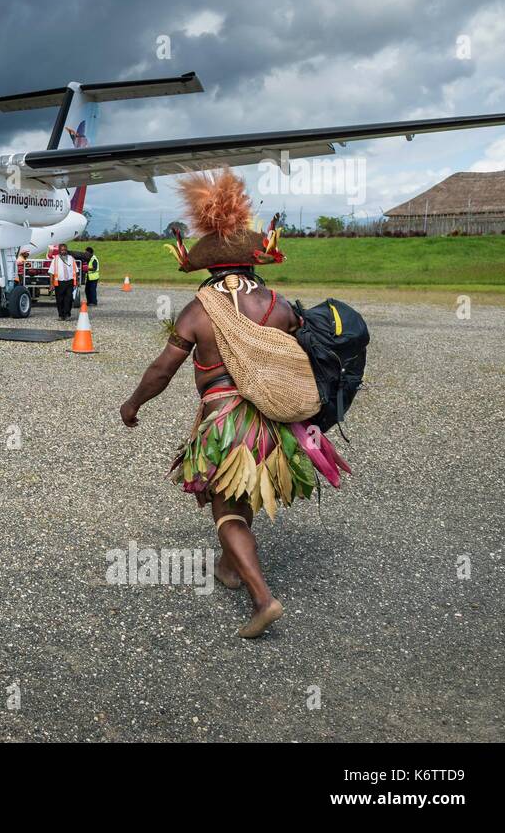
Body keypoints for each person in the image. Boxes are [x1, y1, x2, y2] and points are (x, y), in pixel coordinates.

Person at [119, 169, 350, 639]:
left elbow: (163, 370)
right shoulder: (278, 305)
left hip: (227, 423)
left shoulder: (199, 310)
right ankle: (229, 568)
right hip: (273, 424)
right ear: (250, 262)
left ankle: (263, 599)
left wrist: (133, 404)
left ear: (209, 267)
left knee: (225, 512)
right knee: (241, 493)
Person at [48, 242, 78, 319]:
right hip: (59, 282)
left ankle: (67, 314)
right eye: (62, 250)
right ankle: (61, 315)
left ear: (66, 250)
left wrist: (76, 282)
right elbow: (51, 272)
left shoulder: (71, 258)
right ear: (59, 251)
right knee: (60, 300)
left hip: (70, 282)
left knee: (69, 299)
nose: (63, 251)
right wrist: (51, 284)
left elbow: (76, 271)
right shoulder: (55, 259)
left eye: (65, 250)